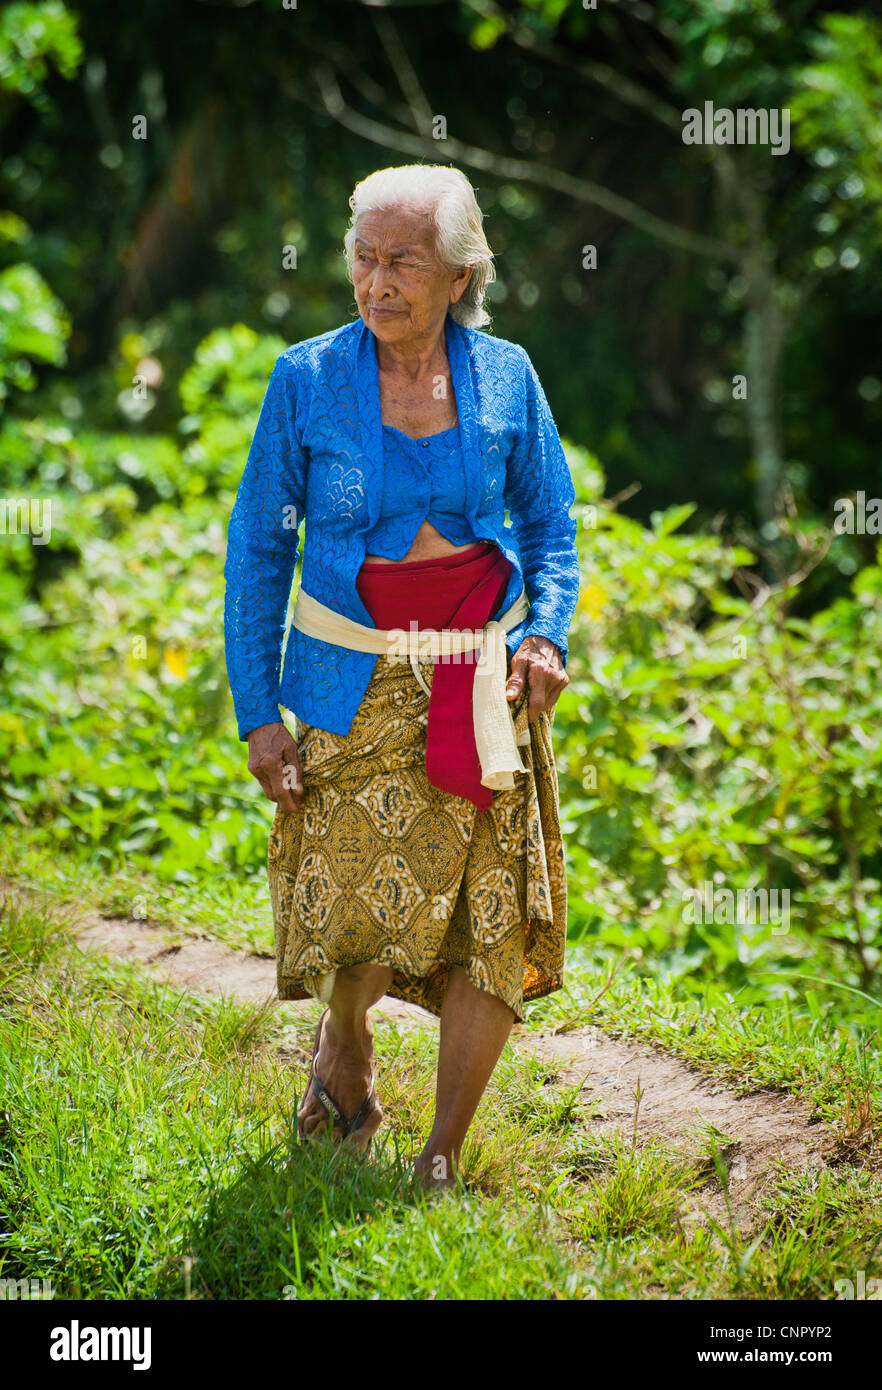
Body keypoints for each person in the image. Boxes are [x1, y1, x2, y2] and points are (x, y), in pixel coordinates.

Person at [224, 163, 579, 1189]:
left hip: (480, 682)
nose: (376, 283)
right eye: (362, 259)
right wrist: (260, 710)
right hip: (351, 681)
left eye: (402, 263)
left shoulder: (507, 376)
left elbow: (551, 525)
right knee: (354, 913)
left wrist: (545, 633)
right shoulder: (306, 380)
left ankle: (440, 1157)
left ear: (460, 275)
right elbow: (259, 549)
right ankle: (345, 1041)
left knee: (489, 921)